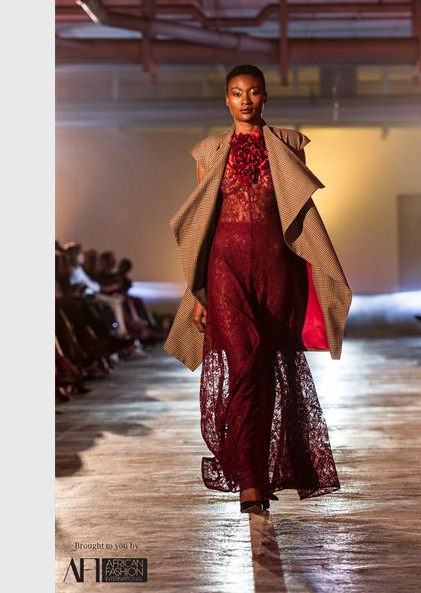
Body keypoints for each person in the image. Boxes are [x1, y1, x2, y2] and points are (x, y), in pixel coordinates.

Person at [174, 65, 344, 514]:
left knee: (265, 367)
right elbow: (203, 223)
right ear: (226, 100)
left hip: (275, 267)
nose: (245, 99)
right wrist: (196, 294)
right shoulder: (209, 151)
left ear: (265, 96)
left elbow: (295, 211)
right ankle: (249, 479)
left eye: (252, 92)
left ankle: (257, 475)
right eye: (236, 92)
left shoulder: (289, 145)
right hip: (224, 266)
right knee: (244, 362)